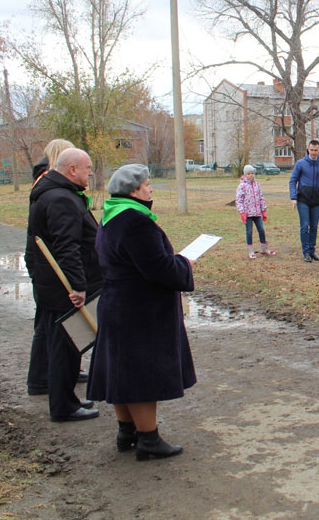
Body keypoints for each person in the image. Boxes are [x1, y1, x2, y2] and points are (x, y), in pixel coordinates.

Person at [88, 164, 195, 460]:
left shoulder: (111, 216)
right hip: (139, 310)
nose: (151, 190)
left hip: (117, 304)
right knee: (141, 375)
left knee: (121, 371)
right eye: (148, 185)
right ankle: (148, 439)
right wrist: (184, 264)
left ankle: (127, 431)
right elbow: (157, 268)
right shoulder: (135, 221)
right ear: (134, 190)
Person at [24, 148, 101, 421]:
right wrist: (78, 286)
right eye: (88, 168)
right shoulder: (60, 199)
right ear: (72, 170)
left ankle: (66, 400)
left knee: (64, 345)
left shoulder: (54, 193)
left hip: (51, 285)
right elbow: (66, 248)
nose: (91, 173)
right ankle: (64, 406)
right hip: (63, 288)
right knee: (66, 347)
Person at [27, 138, 77, 397]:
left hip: (40, 263)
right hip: (46, 266)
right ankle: (41, 379)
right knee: (49, 325)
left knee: (51, 325)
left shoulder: (45, 183)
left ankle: (59, 373)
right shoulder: (51, 186)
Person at [289, 140, 319, 262]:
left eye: (316, 150)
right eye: (311, 150)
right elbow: (292, 180)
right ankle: (306, 252)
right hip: (303, 200)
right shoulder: (300, 164)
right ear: (308, 149)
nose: (313, 152)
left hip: (316, 201)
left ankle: (312, 251)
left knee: (314, 226)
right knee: (305, 226)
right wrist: (293, 197)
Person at [236, 165, 272, 259]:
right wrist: (242, 213)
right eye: (249, 174)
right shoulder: (242, 186)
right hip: (248, 214)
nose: (251, 175)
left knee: (261, 230)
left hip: (257, 213)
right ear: (245, 174)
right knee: (249, 232)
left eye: (252, 173)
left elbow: (261, 198)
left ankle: (264, 249)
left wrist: (263, 211)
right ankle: (251, 251)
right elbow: (239, 200)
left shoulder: (257, 185)